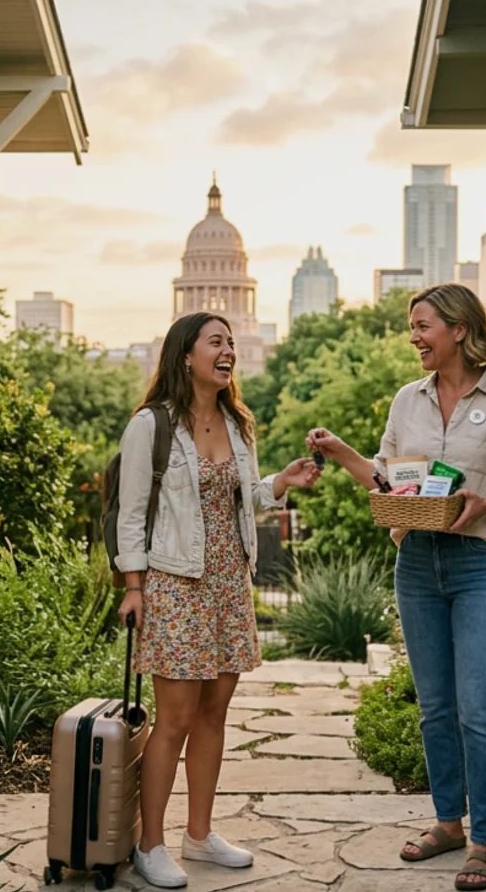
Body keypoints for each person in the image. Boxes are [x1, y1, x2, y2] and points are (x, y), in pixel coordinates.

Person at [307, 283, 486, 892]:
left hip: (484, 565)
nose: (413, 337)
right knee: (436, 707)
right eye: (412, 327)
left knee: (478, 709)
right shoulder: (406, 401)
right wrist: (340, 453)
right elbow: (391, 478)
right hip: (417, 561)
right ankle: (448, 822)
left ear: (460, 330)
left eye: (423, 326)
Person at [115, 312, 320, 889]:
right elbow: (131, 517)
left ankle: (199, 835)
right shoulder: (151, 427)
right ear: (186, 355)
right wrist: (134, 587)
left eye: (231, 342)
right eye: (216, 342)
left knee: (214, 713)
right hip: (175, 584)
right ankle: (150, 845)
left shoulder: (237, 423)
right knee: (174, 720)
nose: (227, 351)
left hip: (229, 582)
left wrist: (281, 483)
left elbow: (244, 497)